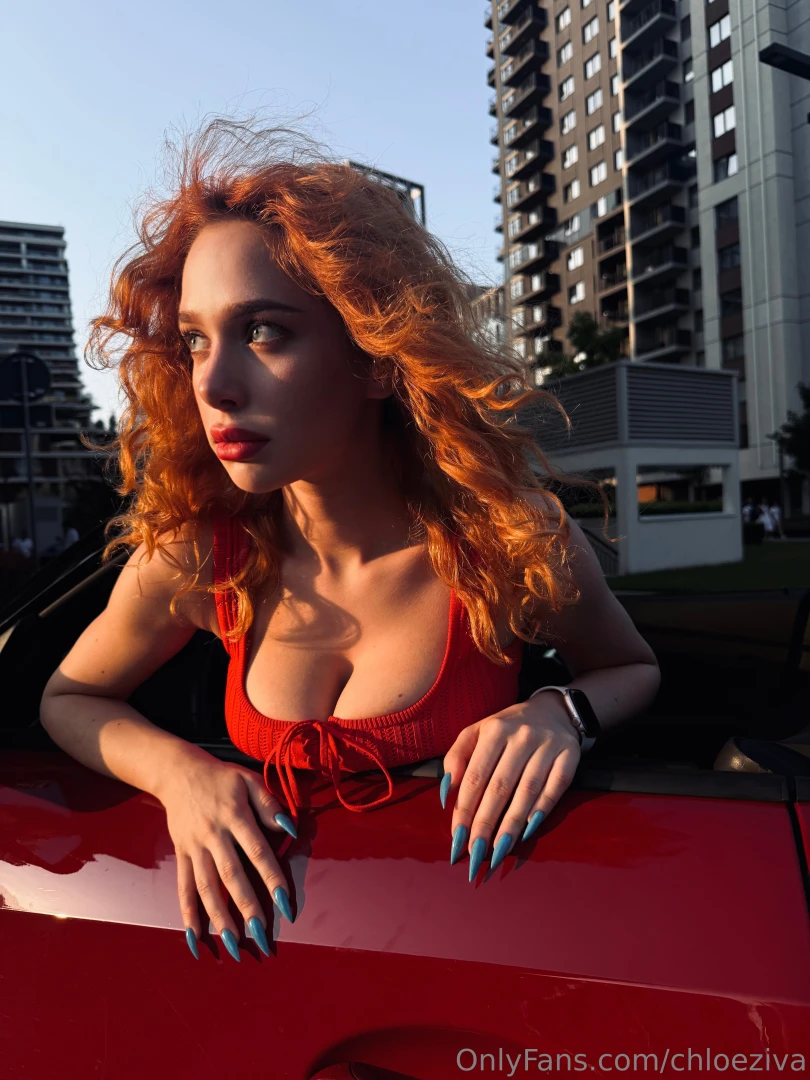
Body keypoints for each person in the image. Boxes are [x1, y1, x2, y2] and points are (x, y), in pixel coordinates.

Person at [39, 115, 661, 965]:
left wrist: (560, 713)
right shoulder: (201, 556)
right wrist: (180, 775)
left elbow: (633, 666)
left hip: (470, 958)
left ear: (375, 356)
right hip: (257, 981)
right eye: (194, 339)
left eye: (264, 331)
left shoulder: (506, 544)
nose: (213, 383)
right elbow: (68, 699)